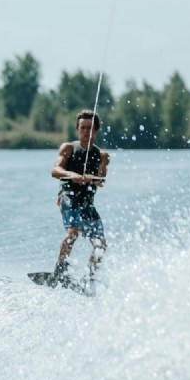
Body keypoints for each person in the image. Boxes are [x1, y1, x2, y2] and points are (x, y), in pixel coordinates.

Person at [51, 109, 110, 283]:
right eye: (83, 127)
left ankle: (89, 278)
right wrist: (72, 175)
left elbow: (101, 181)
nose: (86, 131)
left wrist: (93, 177)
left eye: (90, 128)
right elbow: (55, 170)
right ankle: (60, 271)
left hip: (87, 203)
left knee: (100, 245)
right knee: (73, 233)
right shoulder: (68, 148)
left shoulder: (102, 155)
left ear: (96, 130)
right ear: (77, 128)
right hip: (69, 197)